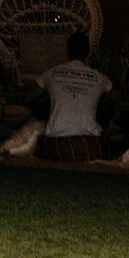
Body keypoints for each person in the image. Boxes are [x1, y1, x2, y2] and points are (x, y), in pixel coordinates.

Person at [35, 31, 112, 163]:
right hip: (90, 144)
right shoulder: (101, 78)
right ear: (88, 53)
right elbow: (116, 98)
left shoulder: (50, 73)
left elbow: (28, 97)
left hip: (56, 144)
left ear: (67, 51)